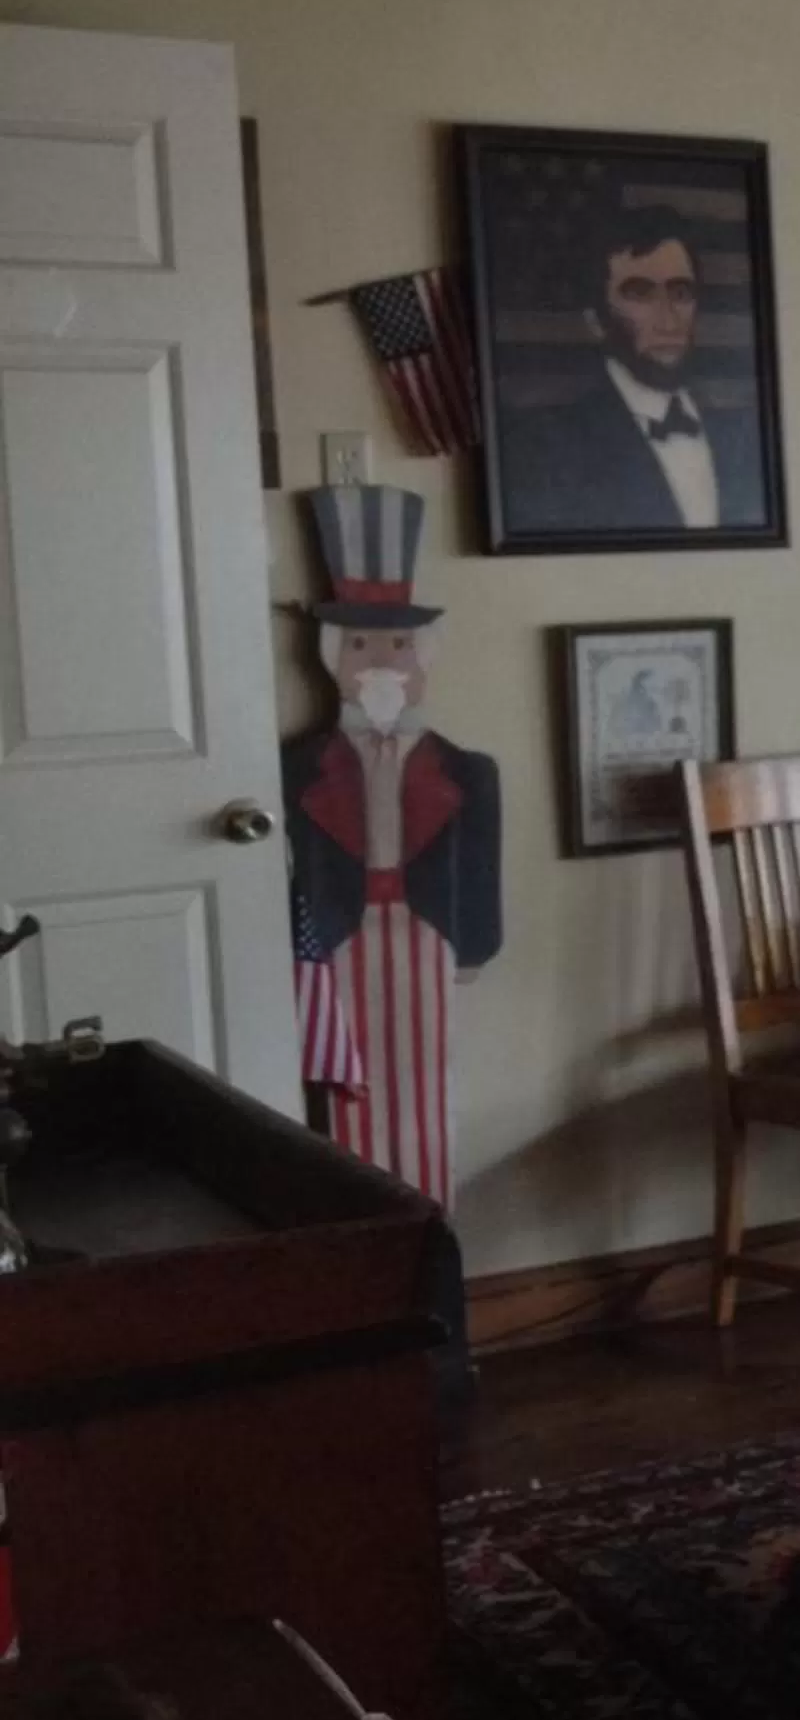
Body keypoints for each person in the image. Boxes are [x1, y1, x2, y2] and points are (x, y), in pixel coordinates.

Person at [281, 487, 502, 1207]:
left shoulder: (467, 772)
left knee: (427, 1092)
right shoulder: (295, 768)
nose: (382, 662)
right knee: (349, 1095)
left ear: (423, 657)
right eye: (361, 644)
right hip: (339, 941)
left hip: (427, 937)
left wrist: (472, 950)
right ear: (332, 657)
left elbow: (479, 868)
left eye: (398, 645)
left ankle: (429, 1231)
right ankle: (365, 1237)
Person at [500, 204, 767, 536]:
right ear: (595, 320)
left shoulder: (742, 434)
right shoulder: (546, 448)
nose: (668, 320)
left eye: (681, 293)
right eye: (640, 294)